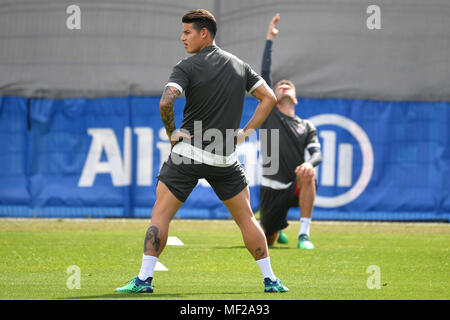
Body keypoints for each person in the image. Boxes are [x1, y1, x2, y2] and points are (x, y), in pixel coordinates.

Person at [115, 9, 288, 293]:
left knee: (160, 214)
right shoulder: (239, 66)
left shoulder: (186, 66)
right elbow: (269, 98)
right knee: (246, 218)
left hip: (188, 154)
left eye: (187, 32)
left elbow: (165, 102)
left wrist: (172, 133)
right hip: (224, 158)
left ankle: (144, 280)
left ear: (203, 33)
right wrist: (244, 134)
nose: (182, 38)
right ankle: (271, 280)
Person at [259, 14, 322, 249]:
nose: (283, 85)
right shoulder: (270, 114)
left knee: (309, 174)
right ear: (273, 98)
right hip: (271, 188)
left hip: (293, 184)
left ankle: (303, 235)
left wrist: (310, 164)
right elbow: (264, 74)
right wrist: (269, 40)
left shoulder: (307, 126)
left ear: (295, 97)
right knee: (268, 241)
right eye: (279, 86)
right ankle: (273, 225)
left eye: (288, 86)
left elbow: (318, 154)